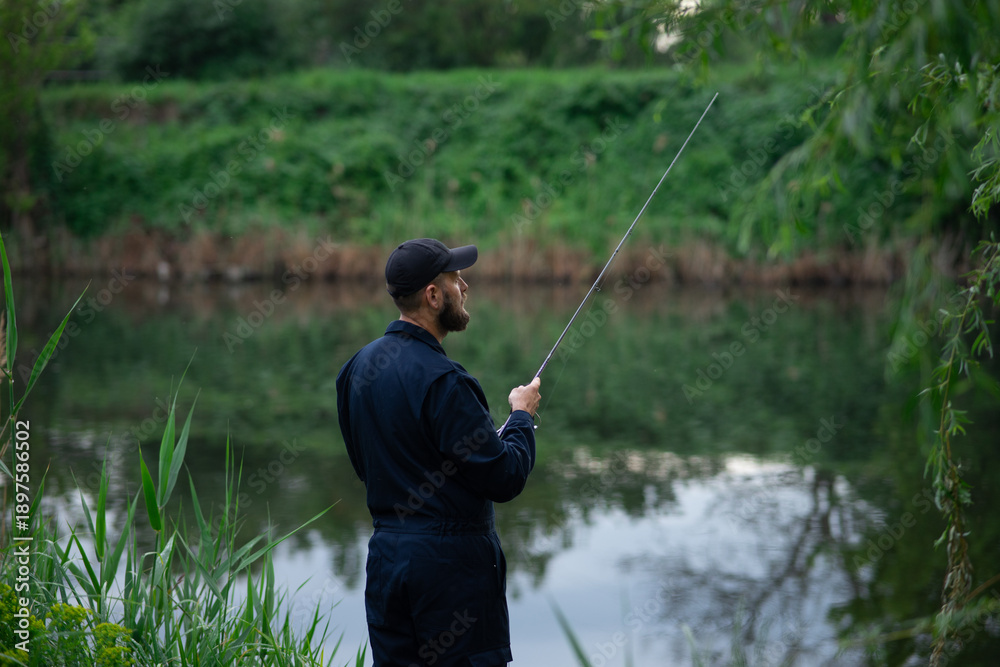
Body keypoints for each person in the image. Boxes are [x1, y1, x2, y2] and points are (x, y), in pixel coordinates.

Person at [336, 237, 541, 667]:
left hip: (387, 563)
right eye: (456, 279)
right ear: (433, 295)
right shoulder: (447, 381)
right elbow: (504, 477)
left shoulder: (355, 369)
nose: (465, 287)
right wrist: (521, 417)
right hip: (451, 575)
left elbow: (367, 465)